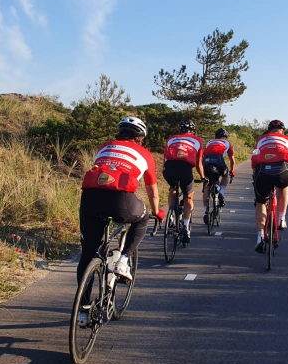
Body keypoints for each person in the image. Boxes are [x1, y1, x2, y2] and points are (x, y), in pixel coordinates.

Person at [79, 117, 164, 284]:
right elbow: (152, 191)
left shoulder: (104, 146)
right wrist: (157, 212)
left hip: (90, 198)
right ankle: (123, 259)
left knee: (88, 254)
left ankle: (82, 307)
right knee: (143, 216)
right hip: (120, 201)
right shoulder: (145, 154)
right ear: (140, 138)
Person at [251, 120, 288, 252]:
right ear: (283, 131)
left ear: (269, 130)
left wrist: (255, 178)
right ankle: (281, 219)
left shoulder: (260, 140)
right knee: (284, 187)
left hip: (263, 171)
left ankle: (260, 237)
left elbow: (254, 162)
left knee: (260, 203)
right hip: (282, 170)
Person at [163, 119, 205, 243]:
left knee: (173, 188)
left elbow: (165, 158)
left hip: (169, 168)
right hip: (185, 168)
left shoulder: (171, 138)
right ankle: (186, 226)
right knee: (188, 197)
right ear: (192, 131)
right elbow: (198, 164)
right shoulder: (197, 140)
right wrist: (203, 177)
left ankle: (170, 217)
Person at [202, 128, 236, 223]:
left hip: (206, 162)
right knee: (225, 175)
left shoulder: (210, 142)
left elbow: (204, 155)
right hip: (219, 160)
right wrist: (232, 171)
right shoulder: (227, 143)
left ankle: (205, 212)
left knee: (207, 186)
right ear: (225, 137)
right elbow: (232, 160)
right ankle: (221, 192)